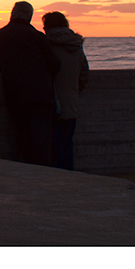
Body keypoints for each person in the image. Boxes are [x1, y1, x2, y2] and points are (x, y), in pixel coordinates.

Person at [0, 1, 60, 165]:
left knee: (22, 136)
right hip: (41, 95)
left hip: (14, 94)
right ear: (29, 17)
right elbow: (55, 64)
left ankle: (26, 171)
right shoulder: (37, 36)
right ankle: (42, 173)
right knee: (41, 139)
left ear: (12, 14)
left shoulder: (0, 35)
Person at [42, 11, 90, 170]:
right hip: (71, 102)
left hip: (51, 102)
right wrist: (74, 91)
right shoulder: (76, 46)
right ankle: (70, 175)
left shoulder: (46, 45)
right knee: (67, 142)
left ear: (47, 26)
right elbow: (84, 74)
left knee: (53, 144)